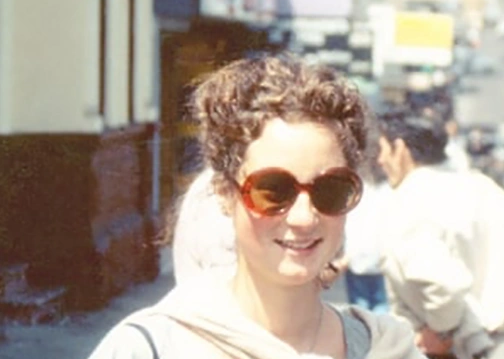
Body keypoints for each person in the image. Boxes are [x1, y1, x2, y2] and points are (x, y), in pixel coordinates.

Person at [88, 54, 424, 359]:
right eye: (273, 190)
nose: (304, 217)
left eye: (330, 190)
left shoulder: (386, 349)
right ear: (224, 193)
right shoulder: (152, 349)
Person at [375, 110, 504, 359]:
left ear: (400, 150)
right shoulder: (479, 187)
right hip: (499, 344)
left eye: (382, 149)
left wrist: (441, 331)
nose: (379, 160)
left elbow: (446, 285)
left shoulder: (406, 203)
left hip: (447, 349)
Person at [334, 162, 391, 313]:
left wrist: (344, 255)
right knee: (382, 308)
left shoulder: (356, 190)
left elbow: (350, 225)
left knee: (360, 310)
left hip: (355, 260)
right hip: (381, 260)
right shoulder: (388, 188)